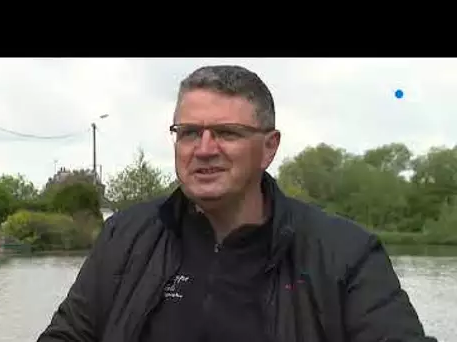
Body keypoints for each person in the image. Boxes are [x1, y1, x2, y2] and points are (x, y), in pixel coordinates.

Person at [37, 65, 436, 342]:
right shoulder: (124, 236)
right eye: (190, 132)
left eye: (227, 133)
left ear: (269, 147)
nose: (204, 149)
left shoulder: (344, 254)